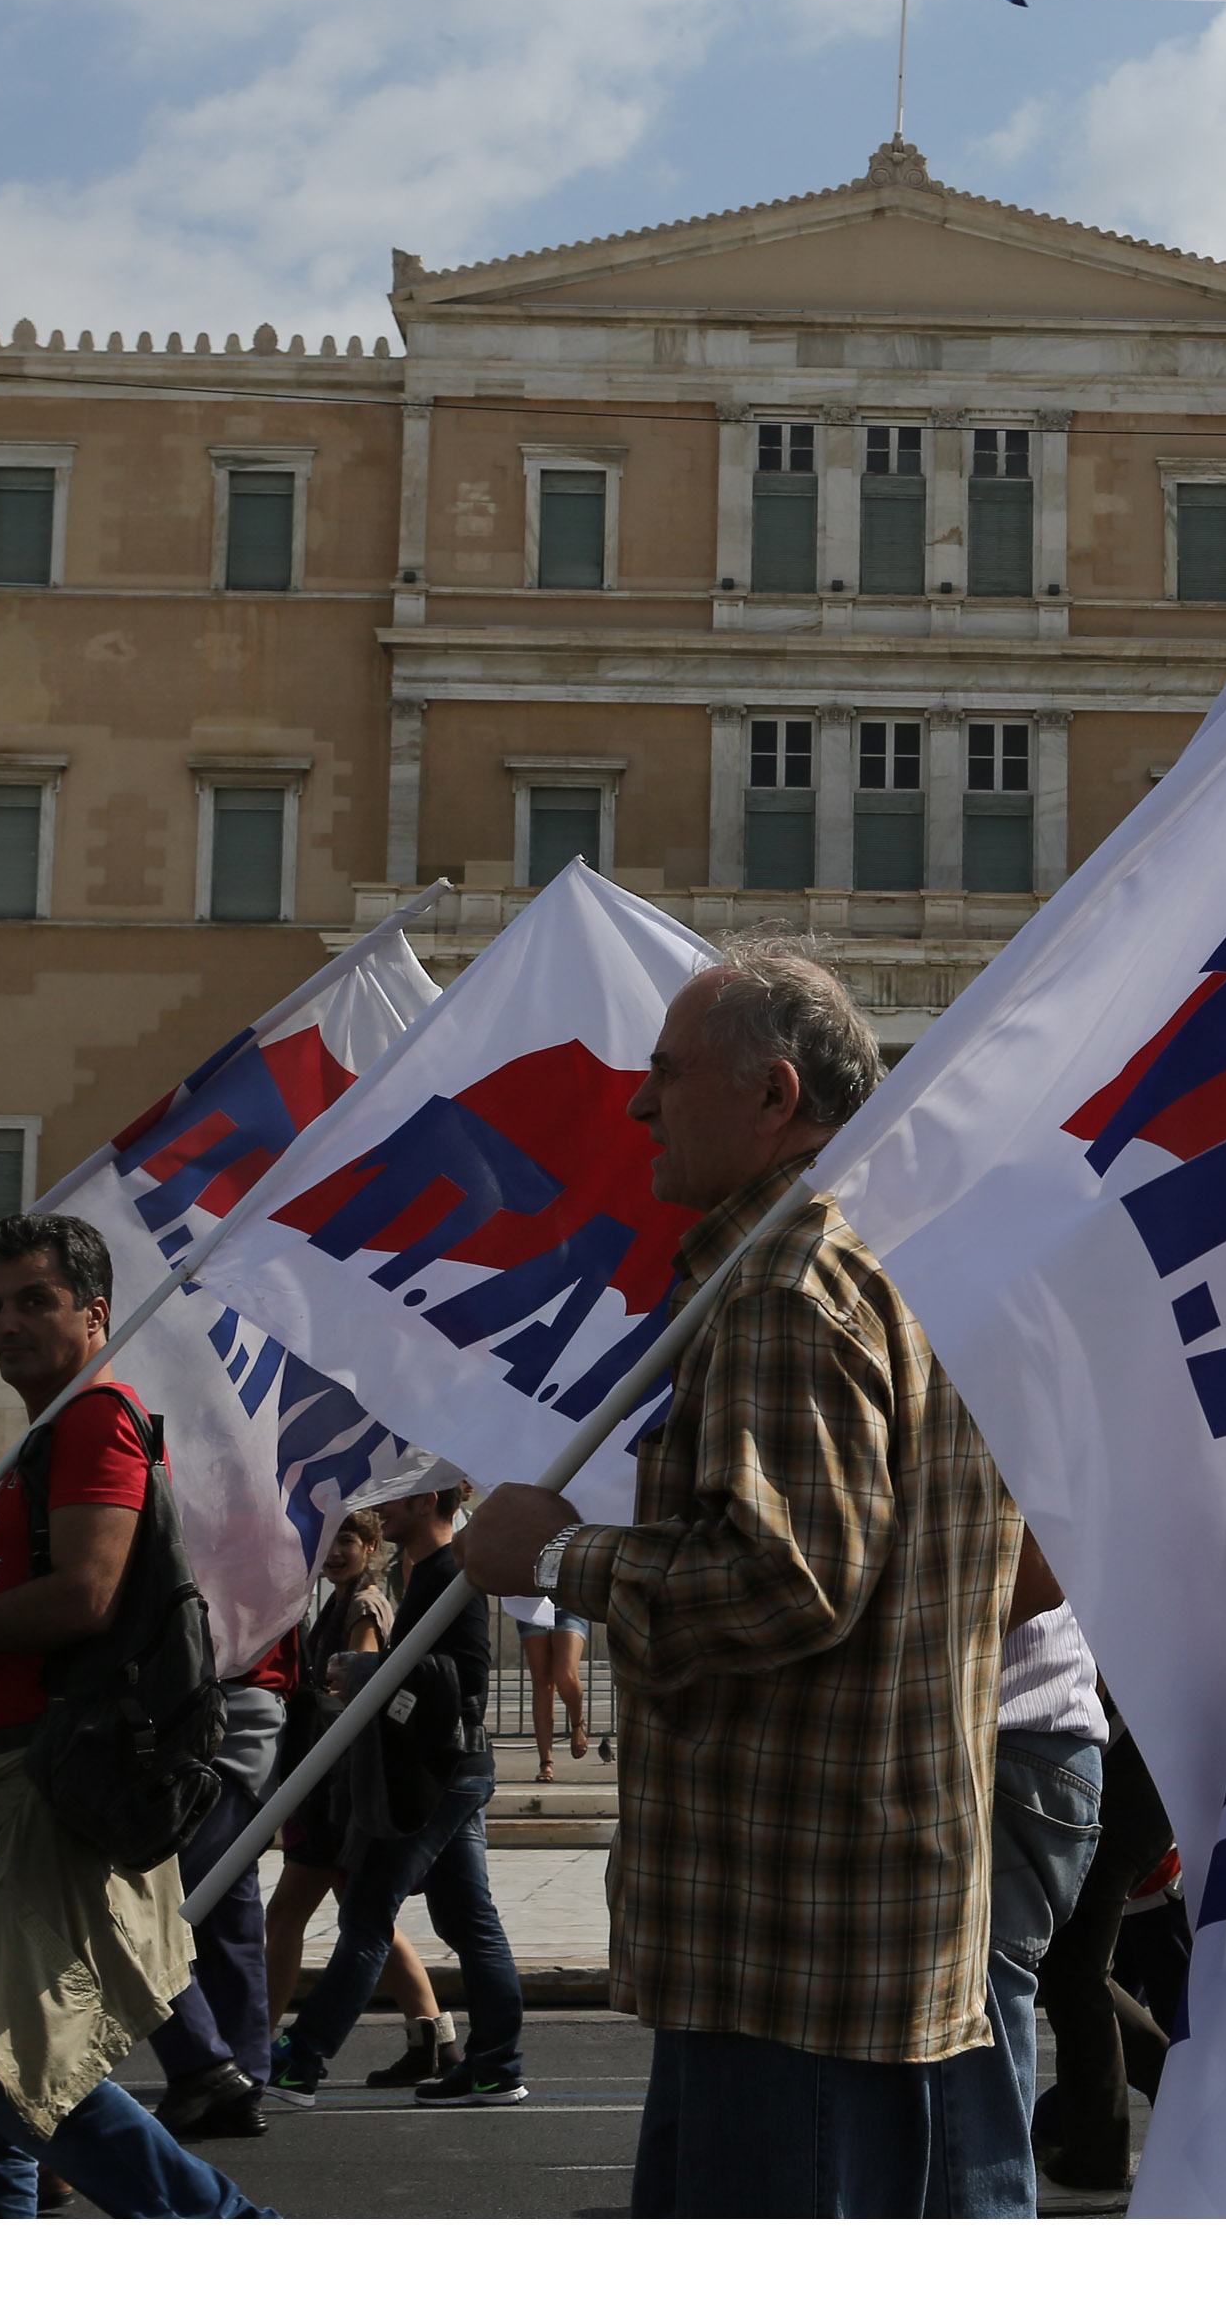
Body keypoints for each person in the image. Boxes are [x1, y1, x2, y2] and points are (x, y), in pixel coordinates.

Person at [456, 941, 1020, 2219]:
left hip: (788, 1936)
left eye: (667, 1074)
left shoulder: (782, 1286)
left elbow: (786, 1580)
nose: (641, 1104)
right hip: (847, 1911)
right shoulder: (891, 1254)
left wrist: (551, 1555)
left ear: (773, 1094)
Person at [0, 1212, 266, 2219]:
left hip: (45, 1788)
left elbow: (85, 1593)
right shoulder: (49, 1430)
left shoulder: (93, 1419)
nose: (7, 1323)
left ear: (96, 1311)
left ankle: (234, 2231)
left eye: (36, 1298)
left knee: (10, 2074)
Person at [266, 1459, 523, 2108]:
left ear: (428, 1500)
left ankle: (304, 2060)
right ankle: (496, 2064)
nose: (384, 1503)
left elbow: (464, 1682)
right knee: (468, 1922)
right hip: (451, 1772)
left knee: (366, 1914)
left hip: (443, 1776)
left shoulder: (450, 1576)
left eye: (399, 1493)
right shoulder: (426, 1573)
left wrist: (371, 1670)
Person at [259, 1505, 454, 2088]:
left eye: (348, 1540)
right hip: (335, 1785)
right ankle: (433, 2036)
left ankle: (258, 2043)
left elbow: (352, 1698)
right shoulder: (340, 1603)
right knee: (366, 1915)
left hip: (338, 1787)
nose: (336, 1552)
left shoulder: (363, 1608)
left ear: (371, 1548)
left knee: (289, 1913)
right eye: (328, 1542)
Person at [939, 1537, 1105, 2214]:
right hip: (1025, 1738)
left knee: (965, 2054)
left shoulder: (999, 1427)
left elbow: (1035, 1571)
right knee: (970, 2042)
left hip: (999, 1735)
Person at [143, 1629, 293, 2139]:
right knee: (228, 1921)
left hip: (208, 1724)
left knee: (143, 1911)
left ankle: (205, 2067)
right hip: (232, 1726)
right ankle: (239, 2080)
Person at [1032, 1706, 1175, 2192]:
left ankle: (1100, 2152)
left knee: (1075, 1968)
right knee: (1079, 1967)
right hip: (1146, 1770)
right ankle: (1158, 2104)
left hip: (1126, 1772)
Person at [521, 1604, 591, 1782]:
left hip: (569, 1604)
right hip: (531, 1604)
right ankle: (546, 1762)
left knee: (565, 1675)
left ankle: (577, 1723)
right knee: (542, 1683)